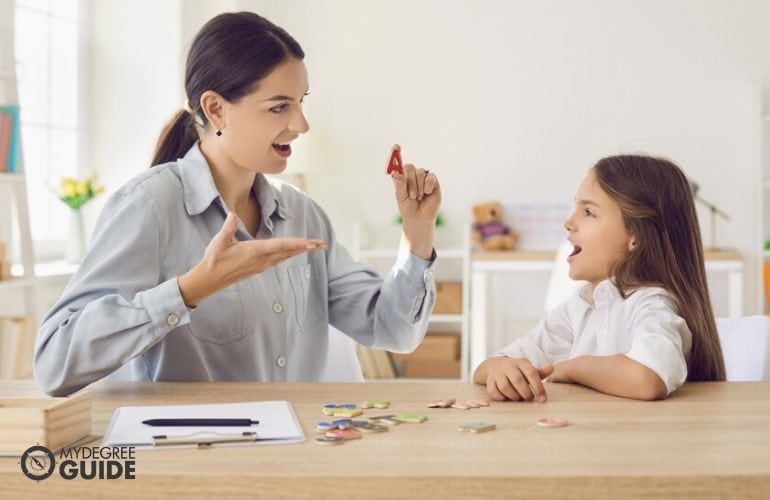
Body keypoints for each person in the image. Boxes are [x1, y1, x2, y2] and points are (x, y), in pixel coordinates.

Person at [34, 12, 441, 396]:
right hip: (186, 461)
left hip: (293, 458)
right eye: (280, 106)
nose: (301, 124)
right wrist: (192, 289)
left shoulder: (303, 216)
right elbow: (54, 363)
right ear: (216, 109)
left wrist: (417, 232)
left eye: (302, 101)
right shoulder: (149, 207)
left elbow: (394, 330)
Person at [473, 155, 725, 401]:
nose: (569, 222)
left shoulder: (653, 303)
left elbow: (648, 379)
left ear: (636, 236)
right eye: (576, 208)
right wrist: (502, 370)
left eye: (589, 212)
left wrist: (572, 367)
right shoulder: (580, 305)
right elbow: (487, 367)